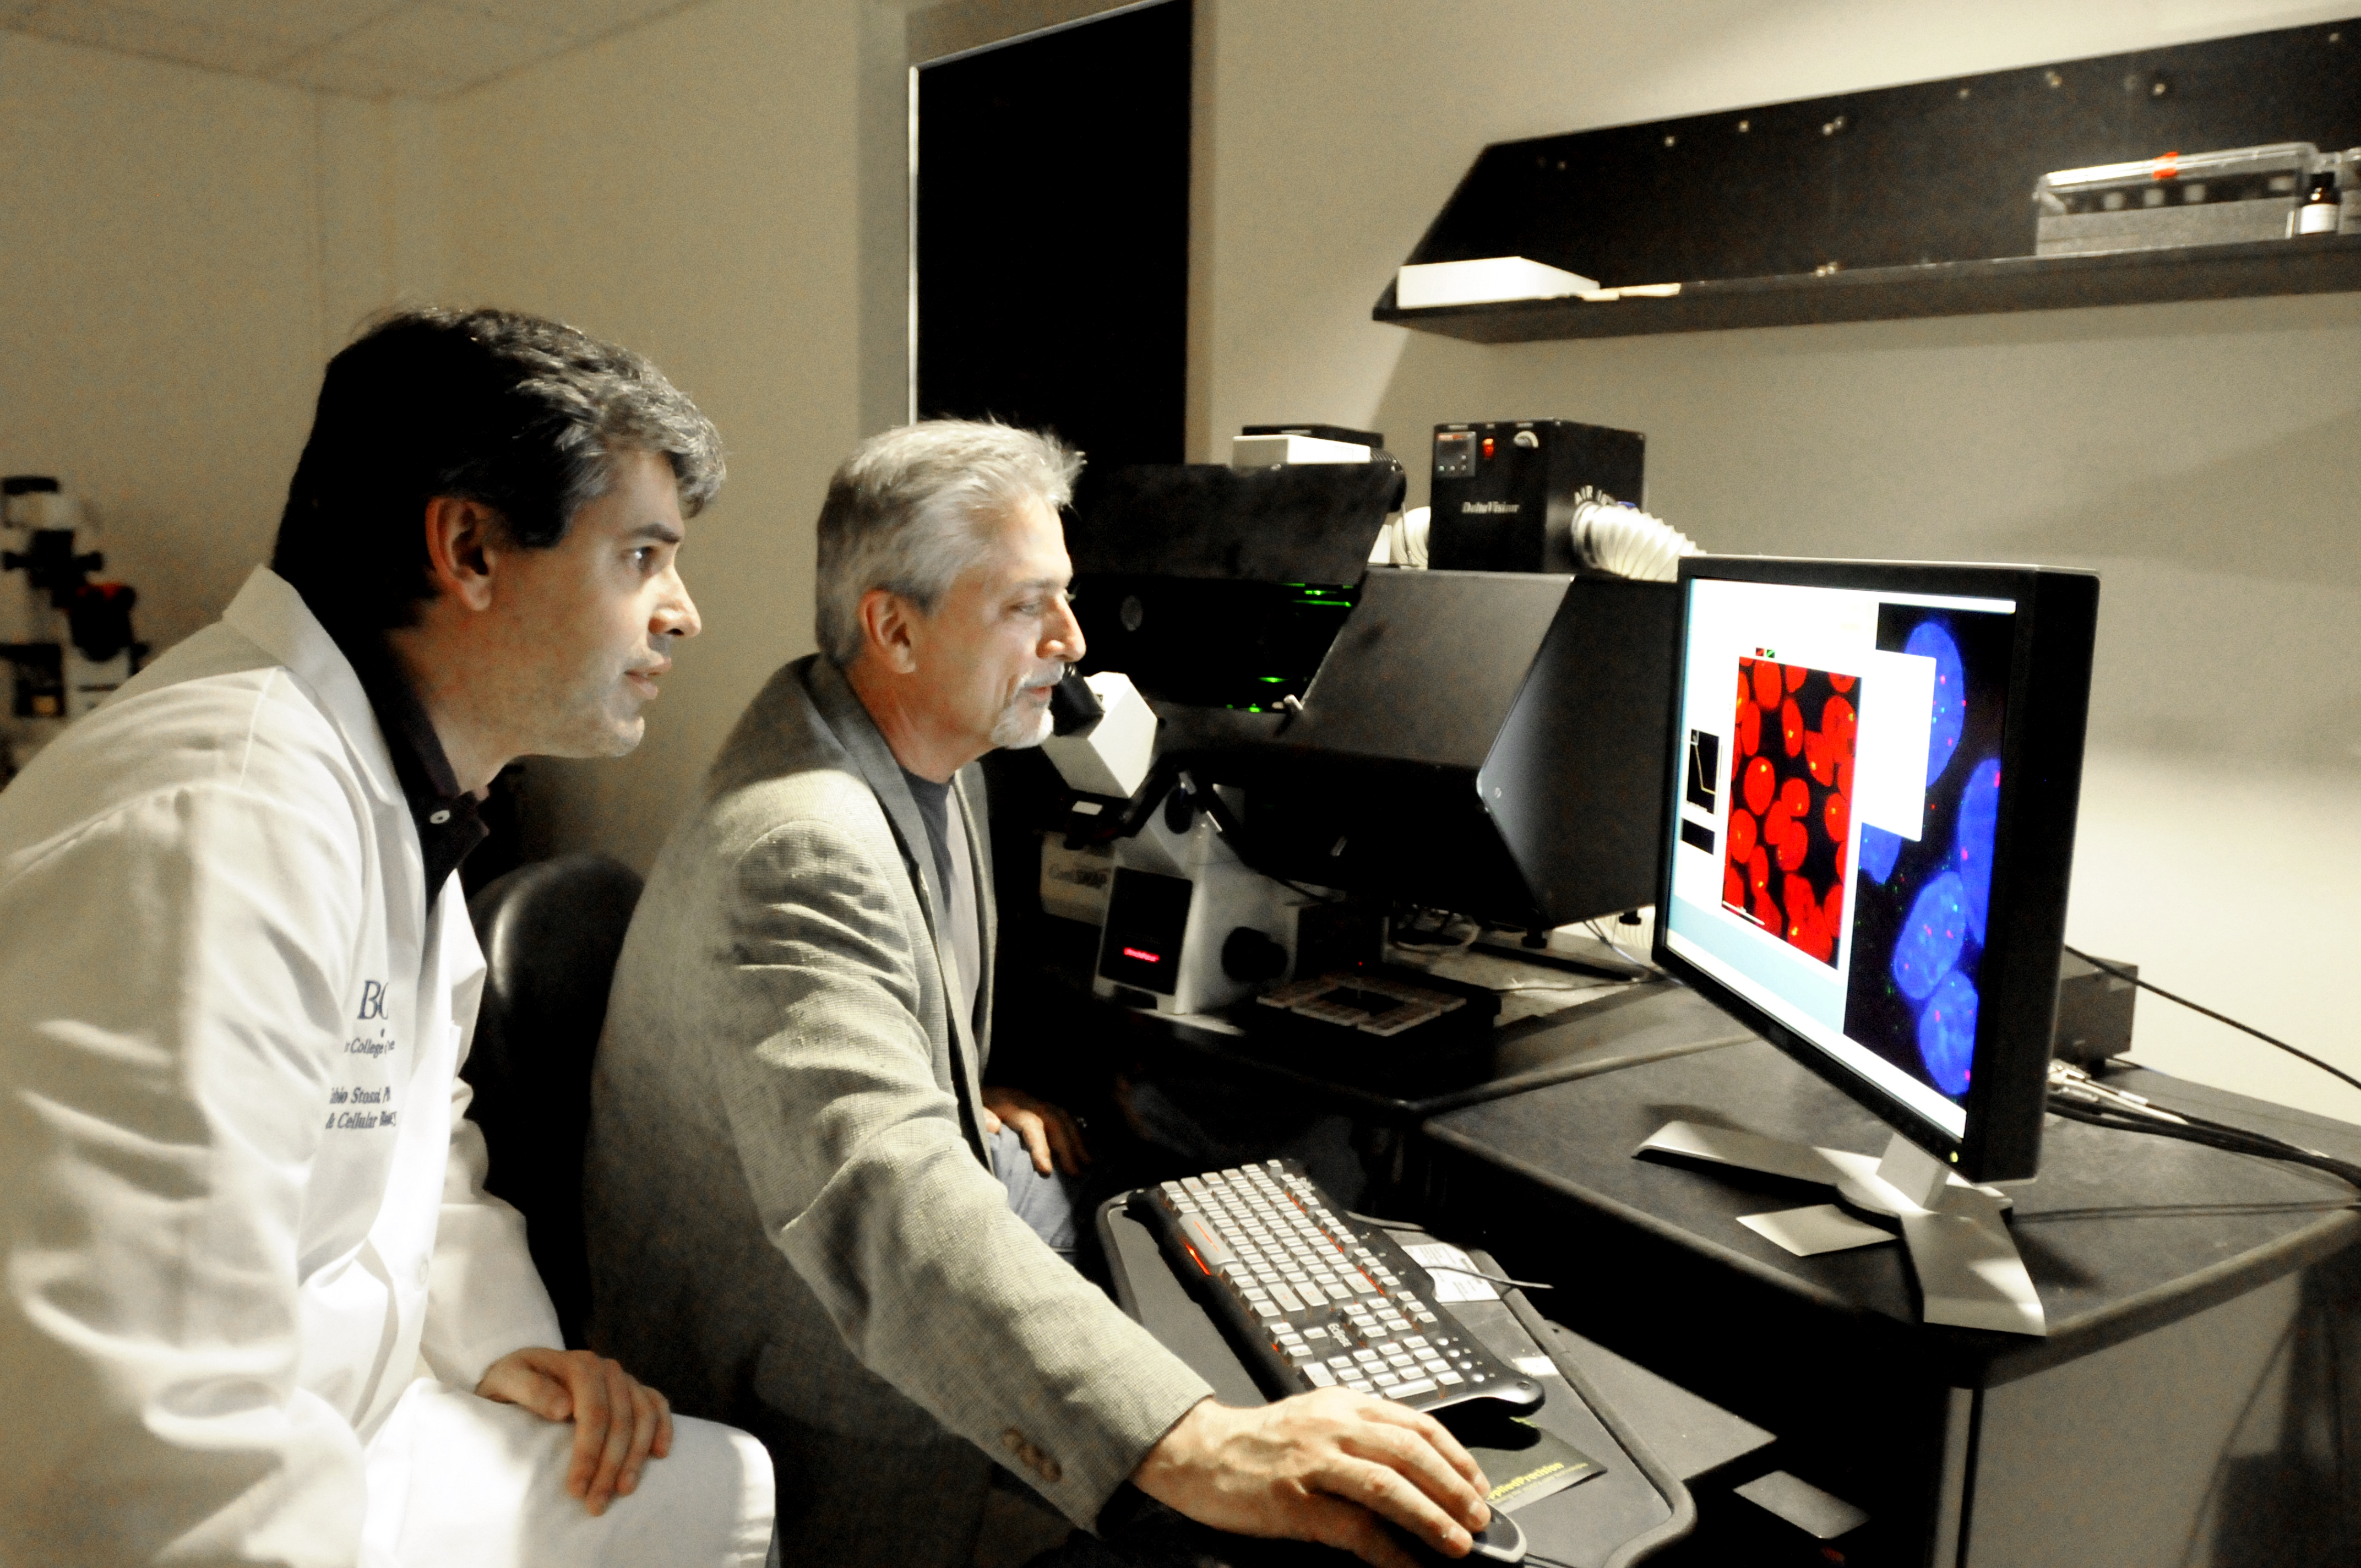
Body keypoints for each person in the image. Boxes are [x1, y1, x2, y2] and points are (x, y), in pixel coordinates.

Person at [583, 420, 1493, 1568]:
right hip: (811, 1413)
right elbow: (891, 1206)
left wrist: (957, 1087)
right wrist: (1193, 1438)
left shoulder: (905, 746)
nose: (1071, 640)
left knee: (1183, 1208)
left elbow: (848, 1048)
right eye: (1027, 606)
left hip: (844, 1263)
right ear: (894, 627)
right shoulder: (796, 846)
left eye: (1063, 599)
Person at [0, 308, 775, 1567]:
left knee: (719, 1489)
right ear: (469, 547)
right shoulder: (224, 819)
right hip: (229, 1480)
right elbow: (145, 1444)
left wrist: (497, 1345)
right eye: (641, 555)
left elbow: (411, 1130)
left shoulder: (386, 788)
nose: (681, 612)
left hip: (352, 1412)